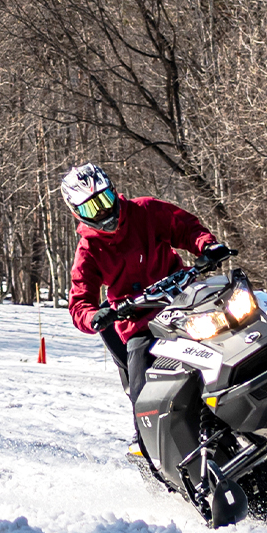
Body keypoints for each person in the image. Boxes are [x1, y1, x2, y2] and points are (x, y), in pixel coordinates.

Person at [60, 162, 219, 400]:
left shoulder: (146, 210)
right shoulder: (88, 250)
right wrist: (94, 316)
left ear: (113, 191)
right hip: (138, 322)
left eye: (104, 200)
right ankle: (145, 435)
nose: (103, 212)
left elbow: (186, 228)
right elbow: (80, 302)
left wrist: (208, 246)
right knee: (144, 393)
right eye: (91, 209)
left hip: (186, 301)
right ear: (77, 212)